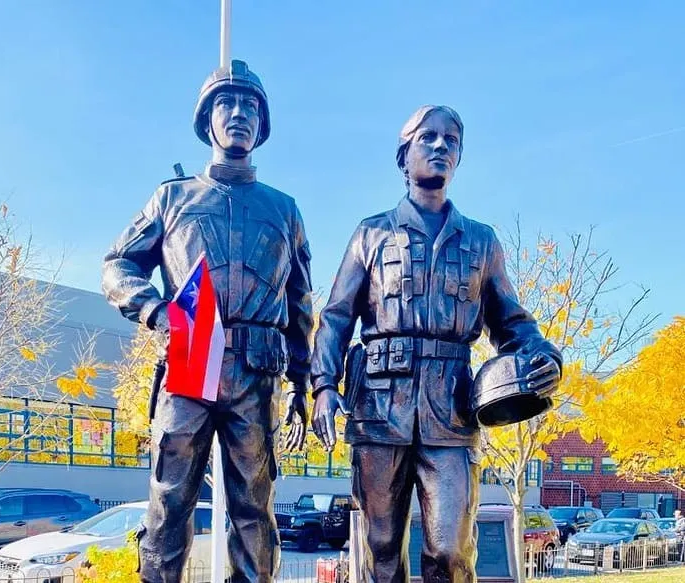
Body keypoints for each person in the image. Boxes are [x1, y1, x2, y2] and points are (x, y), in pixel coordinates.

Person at [310, 105, 562, 582]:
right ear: (404, 157)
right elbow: (337, 317)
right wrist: (323, 385)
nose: (441, 146)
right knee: (380, 550)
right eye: (428, 137)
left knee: (450, 550)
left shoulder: (481, 241)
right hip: (380, 410)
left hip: (451, 411)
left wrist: (543, 355)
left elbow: (514, 324)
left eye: (451, 139)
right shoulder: (371, 233)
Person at [102, 59, 313, 583]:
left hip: (259, 371)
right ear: (207, 119)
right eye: (226, 103)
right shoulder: (171, 198)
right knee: (168, 505)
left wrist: (303, 383)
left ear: (262, 125)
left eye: (249, 105)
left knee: (254, 514)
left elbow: (301, 305)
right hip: (191, 360)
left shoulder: (284, 210)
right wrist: (155, 310)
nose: (238, 113)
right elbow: (117, 265)